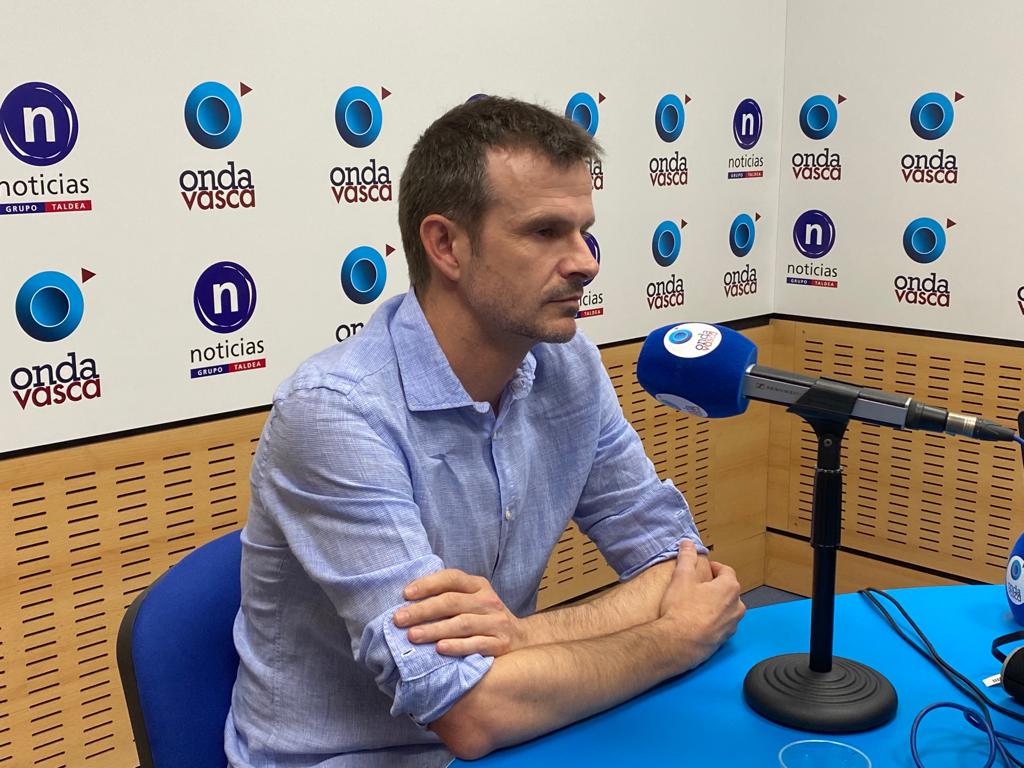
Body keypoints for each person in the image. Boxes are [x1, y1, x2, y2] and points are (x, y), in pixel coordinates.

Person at [225, 96, 745, 768]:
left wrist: (523, 638)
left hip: (521, 734)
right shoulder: (336, 413)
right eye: (545, 231)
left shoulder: (567, 365)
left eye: (584, 230)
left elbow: (681, 568)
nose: (585, 261)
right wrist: (673, 639)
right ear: (446, 245)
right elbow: (469, 711)